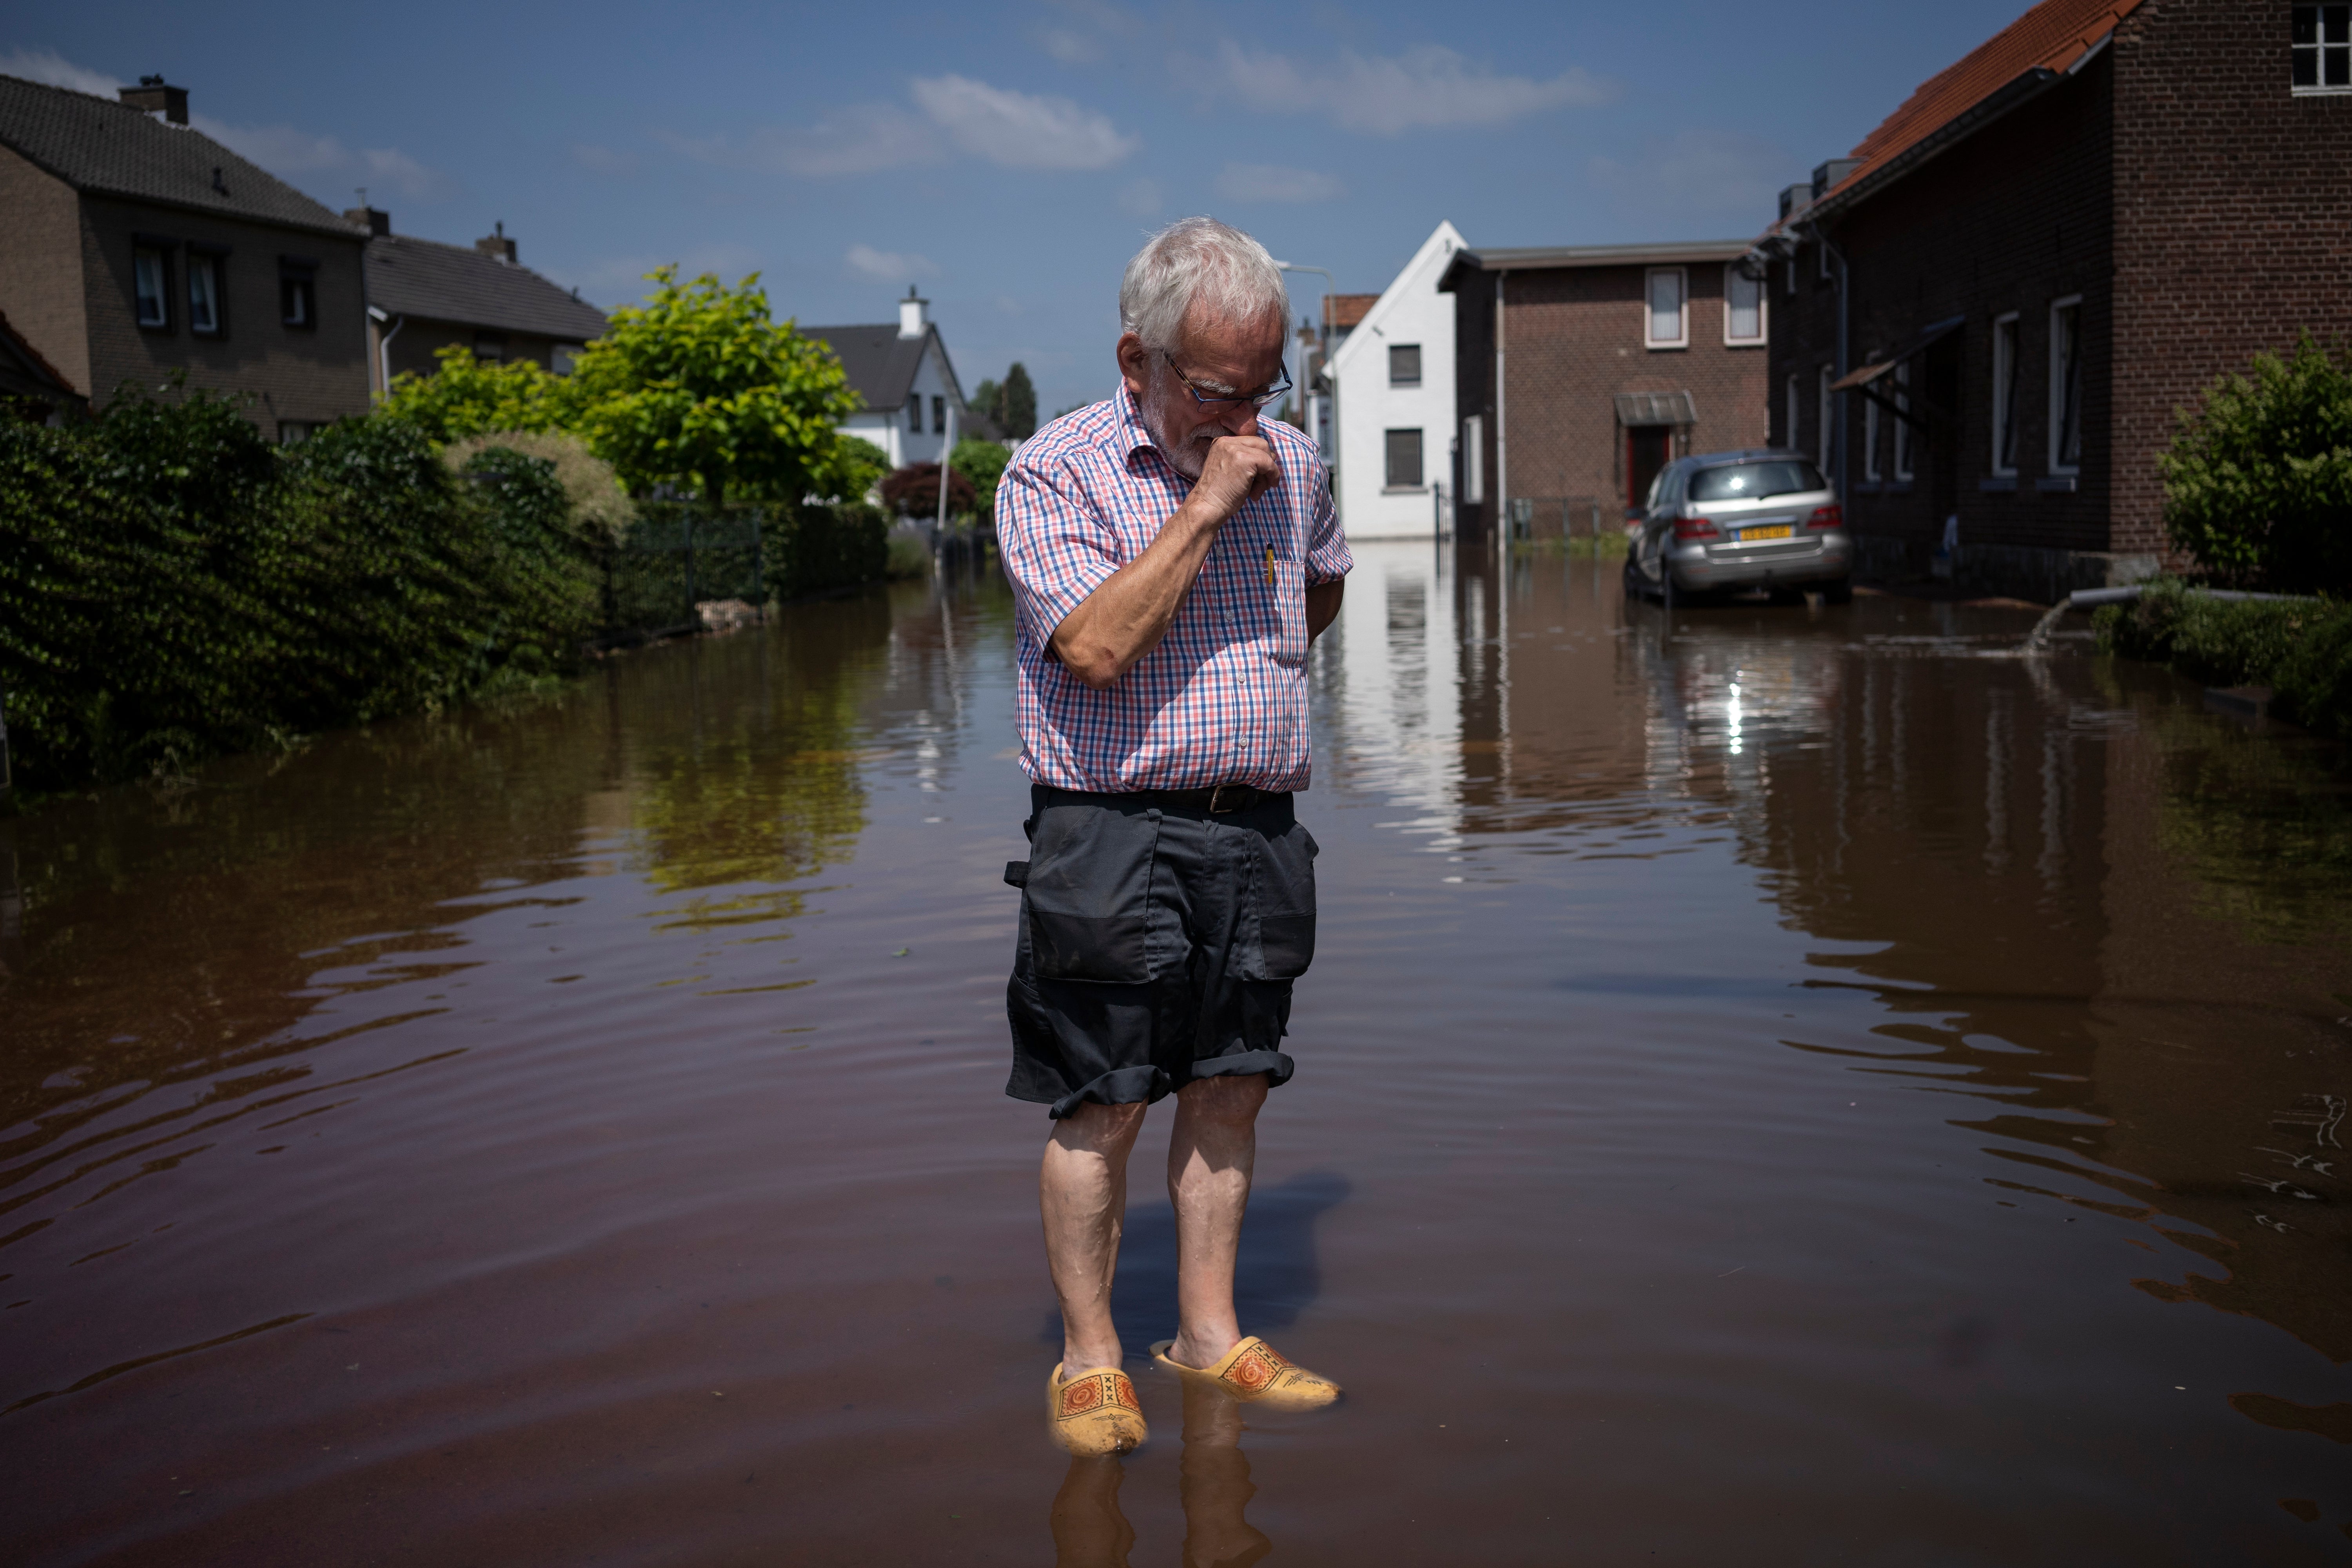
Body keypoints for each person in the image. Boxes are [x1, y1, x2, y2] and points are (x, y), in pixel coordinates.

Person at [996, 217, 1352, 1457]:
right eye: (1217, 392)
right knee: (1103, 1102)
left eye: (1265, 388)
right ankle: (1090, 1359)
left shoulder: (1293, 461)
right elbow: (1093, 650)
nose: (1247, 419)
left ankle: (1209, 1337)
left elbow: (1323, 582)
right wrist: (1202, 511)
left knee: (1233, 1089)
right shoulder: (1053, 472)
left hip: (1257, 827)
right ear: (1137, 359)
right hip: (1110, 826)